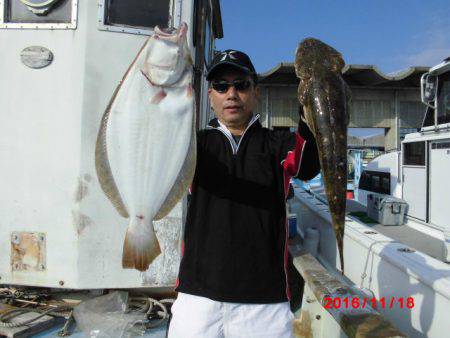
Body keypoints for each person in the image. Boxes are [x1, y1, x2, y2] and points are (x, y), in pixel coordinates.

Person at [168, 50, 320, 338]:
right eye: (222, 86)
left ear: (256, 92)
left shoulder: (279, 144)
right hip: (197, 298)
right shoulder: (191, 145)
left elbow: (308, 163)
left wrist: (311, 102)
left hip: (264, 303)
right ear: (210, 95)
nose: (232, 94)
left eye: (241, 85)